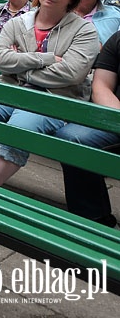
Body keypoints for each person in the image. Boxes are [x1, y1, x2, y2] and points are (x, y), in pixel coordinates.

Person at [0, 0, 100, 186]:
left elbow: (72, 73)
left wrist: (19, 64)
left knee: (20, 127)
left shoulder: (84, 30)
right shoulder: (19, 22)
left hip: (53, 97)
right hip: (10, 88)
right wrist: (47, 58)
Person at [73, 32, 120, 226]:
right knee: (73, 137)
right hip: (116, 117)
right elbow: (101, 85)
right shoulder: (118, 39)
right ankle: (94, 218)